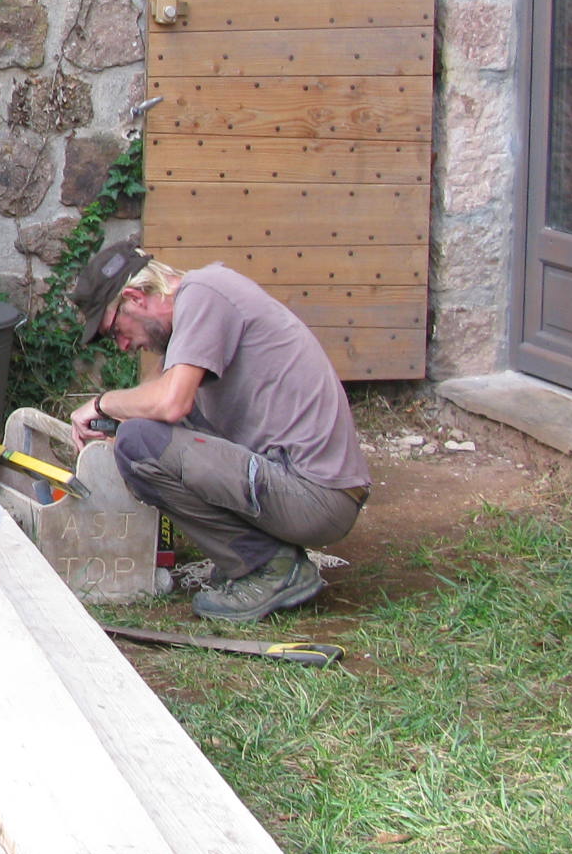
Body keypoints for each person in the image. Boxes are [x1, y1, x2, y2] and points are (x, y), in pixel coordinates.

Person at [66, 243, 371, 624]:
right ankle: (261, 557)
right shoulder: (197, 312)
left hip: (315, 497)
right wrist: (114, 426)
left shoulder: (205, 294)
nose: (124, 345)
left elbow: (169, 404)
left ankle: (271, 568)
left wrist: (100, 404)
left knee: (140, 443)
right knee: (141, 436)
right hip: (304, 487)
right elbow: (152, 396)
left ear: (135, 298)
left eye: (115, 331)